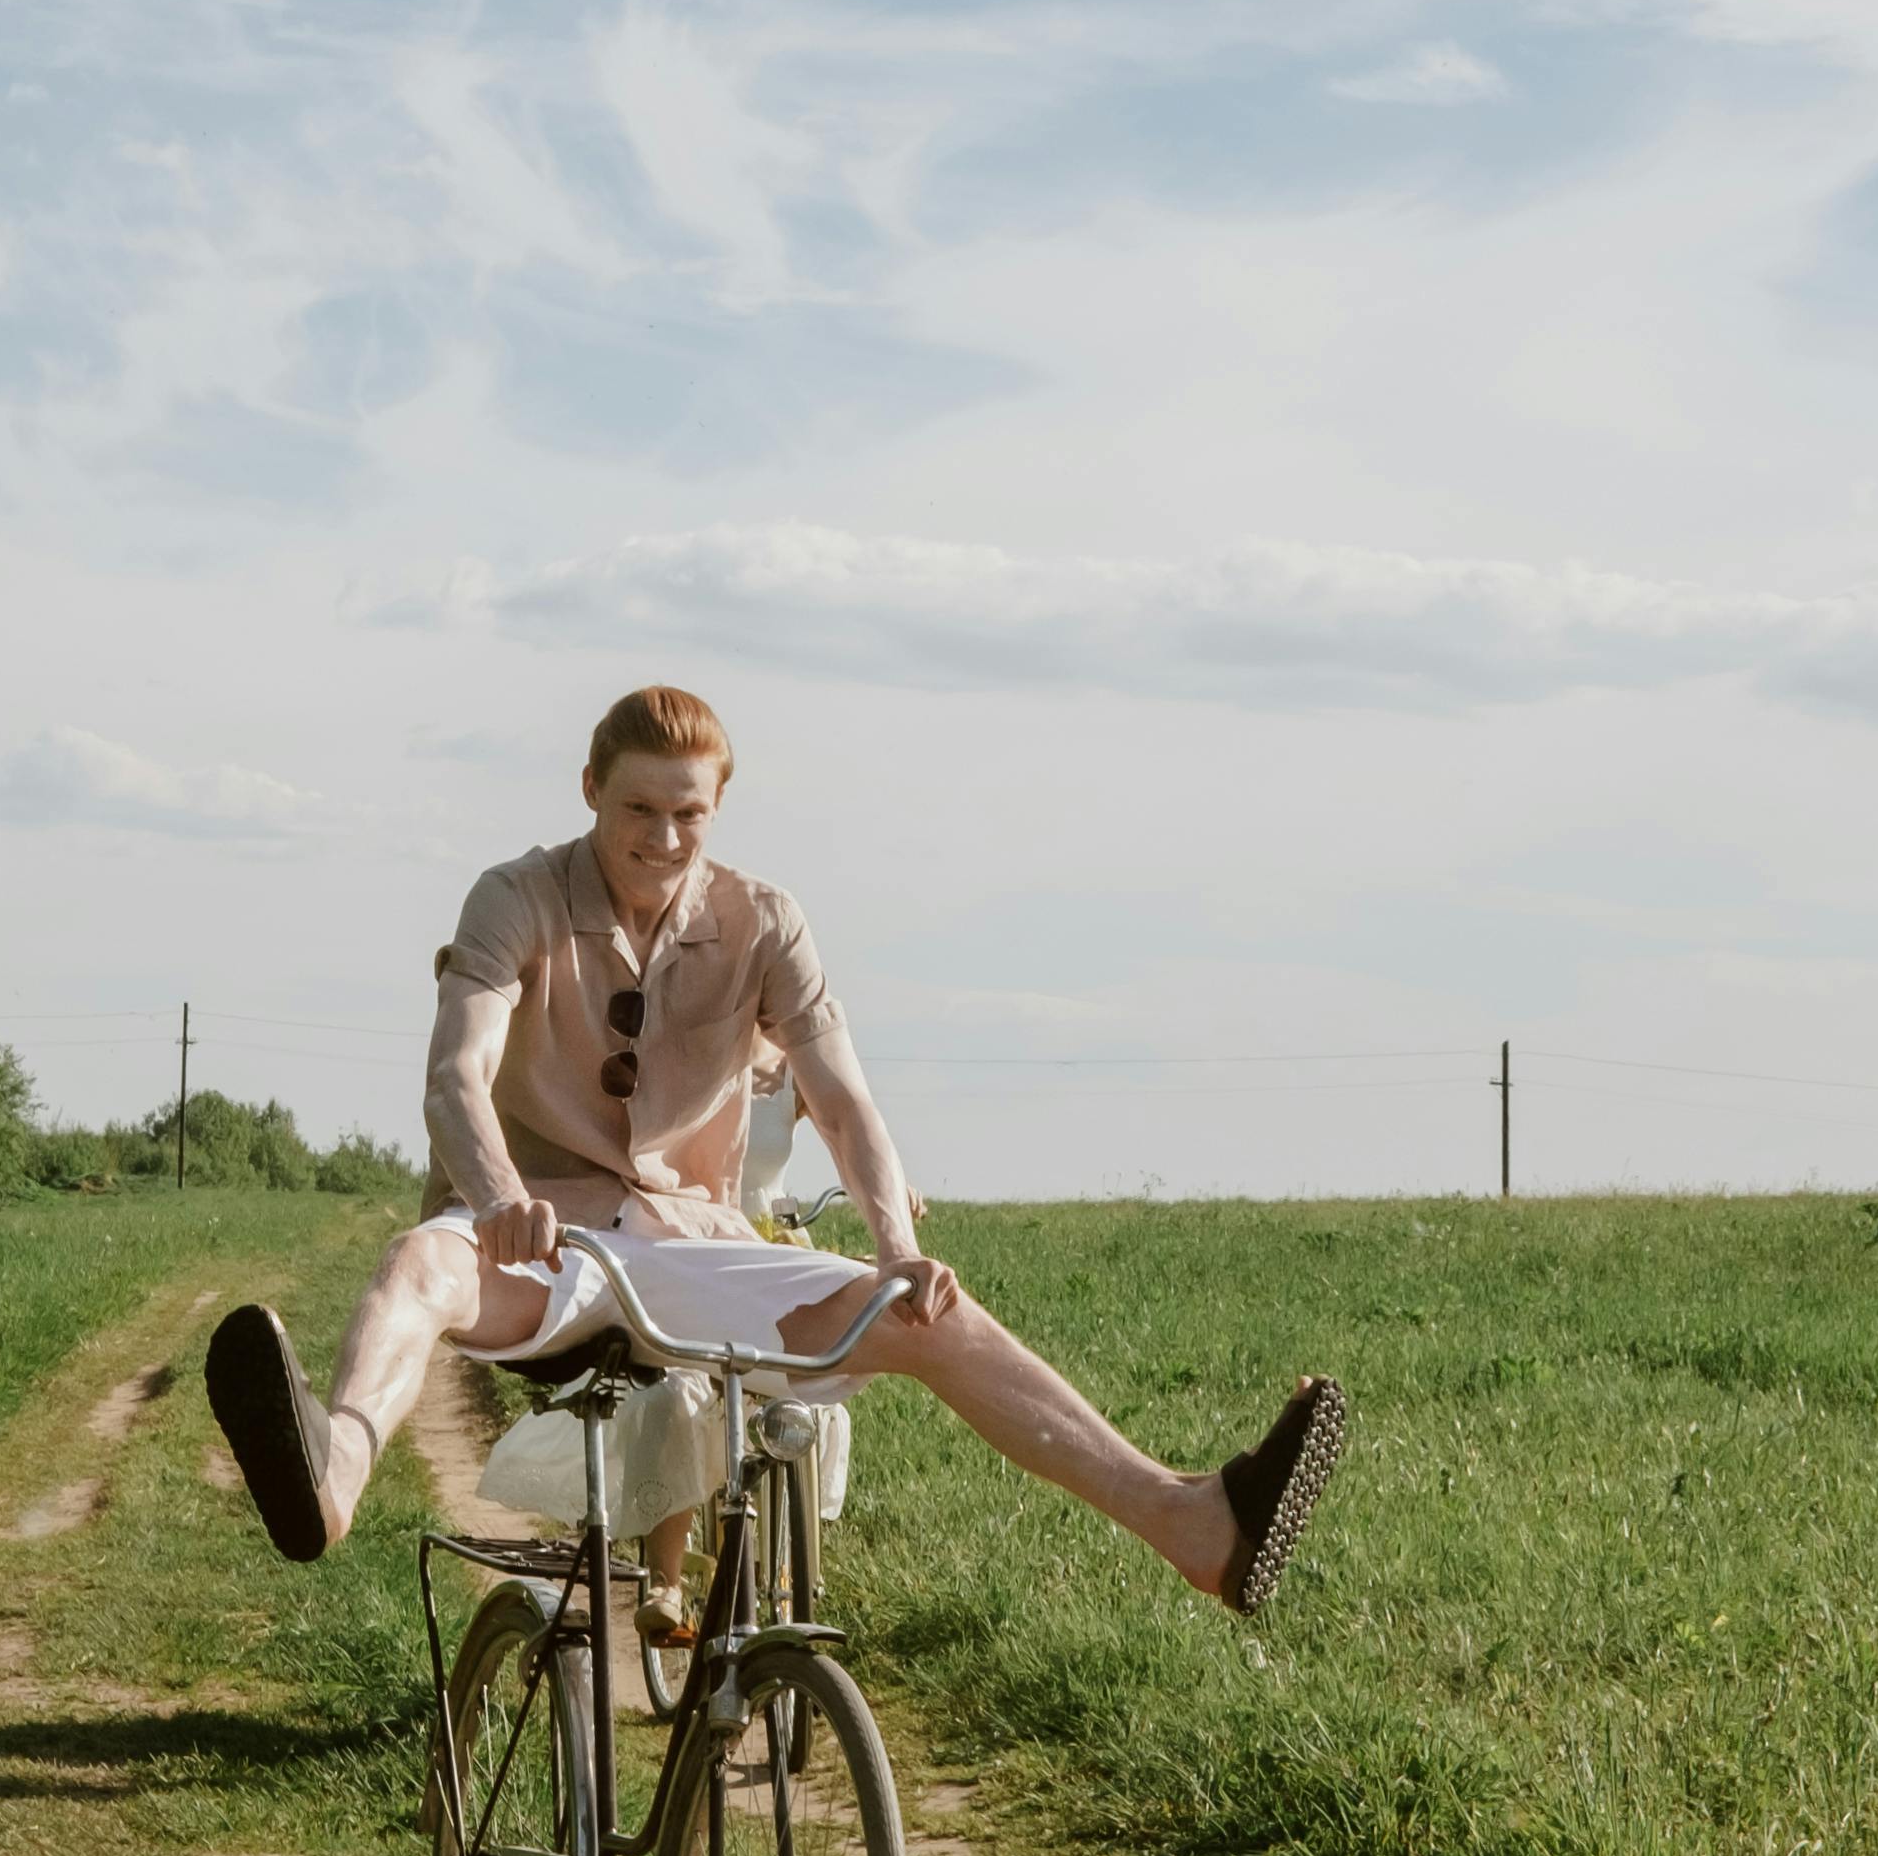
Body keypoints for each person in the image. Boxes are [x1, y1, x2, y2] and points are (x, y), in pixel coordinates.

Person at [203, 681, 1345, 1611]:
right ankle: (335, 1471)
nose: (662, 837)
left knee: (929, 1315)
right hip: (539, 1243)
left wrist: (897, 1244)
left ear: (718, 810)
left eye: (689, 813)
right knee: (418, 1264)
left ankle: (1194, 1523)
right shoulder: (515, 898)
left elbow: (844, 1104)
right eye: (639, 809)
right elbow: (455, 1074)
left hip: (688, 1246)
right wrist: (496, 1194)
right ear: (591, 790)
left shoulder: (765, 921)